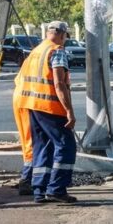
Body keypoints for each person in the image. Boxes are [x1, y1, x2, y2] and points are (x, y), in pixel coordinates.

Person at [15, 21, 77, 203]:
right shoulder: (57, 51)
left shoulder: (36, 51)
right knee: (66, 145)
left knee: (42, 147)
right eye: (65, 37)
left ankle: (39, 191)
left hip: (32, 105)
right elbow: (59, 84)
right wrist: (69, 111)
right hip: (50, 107)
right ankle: (57, 189)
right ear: (62, 34)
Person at [13, 61, 33, 195]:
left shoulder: (35, 55)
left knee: (29, 142)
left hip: (22, 99)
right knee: (32, 143)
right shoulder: (53, 53)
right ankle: (26, 180)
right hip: (30, 102)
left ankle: (29, 179)